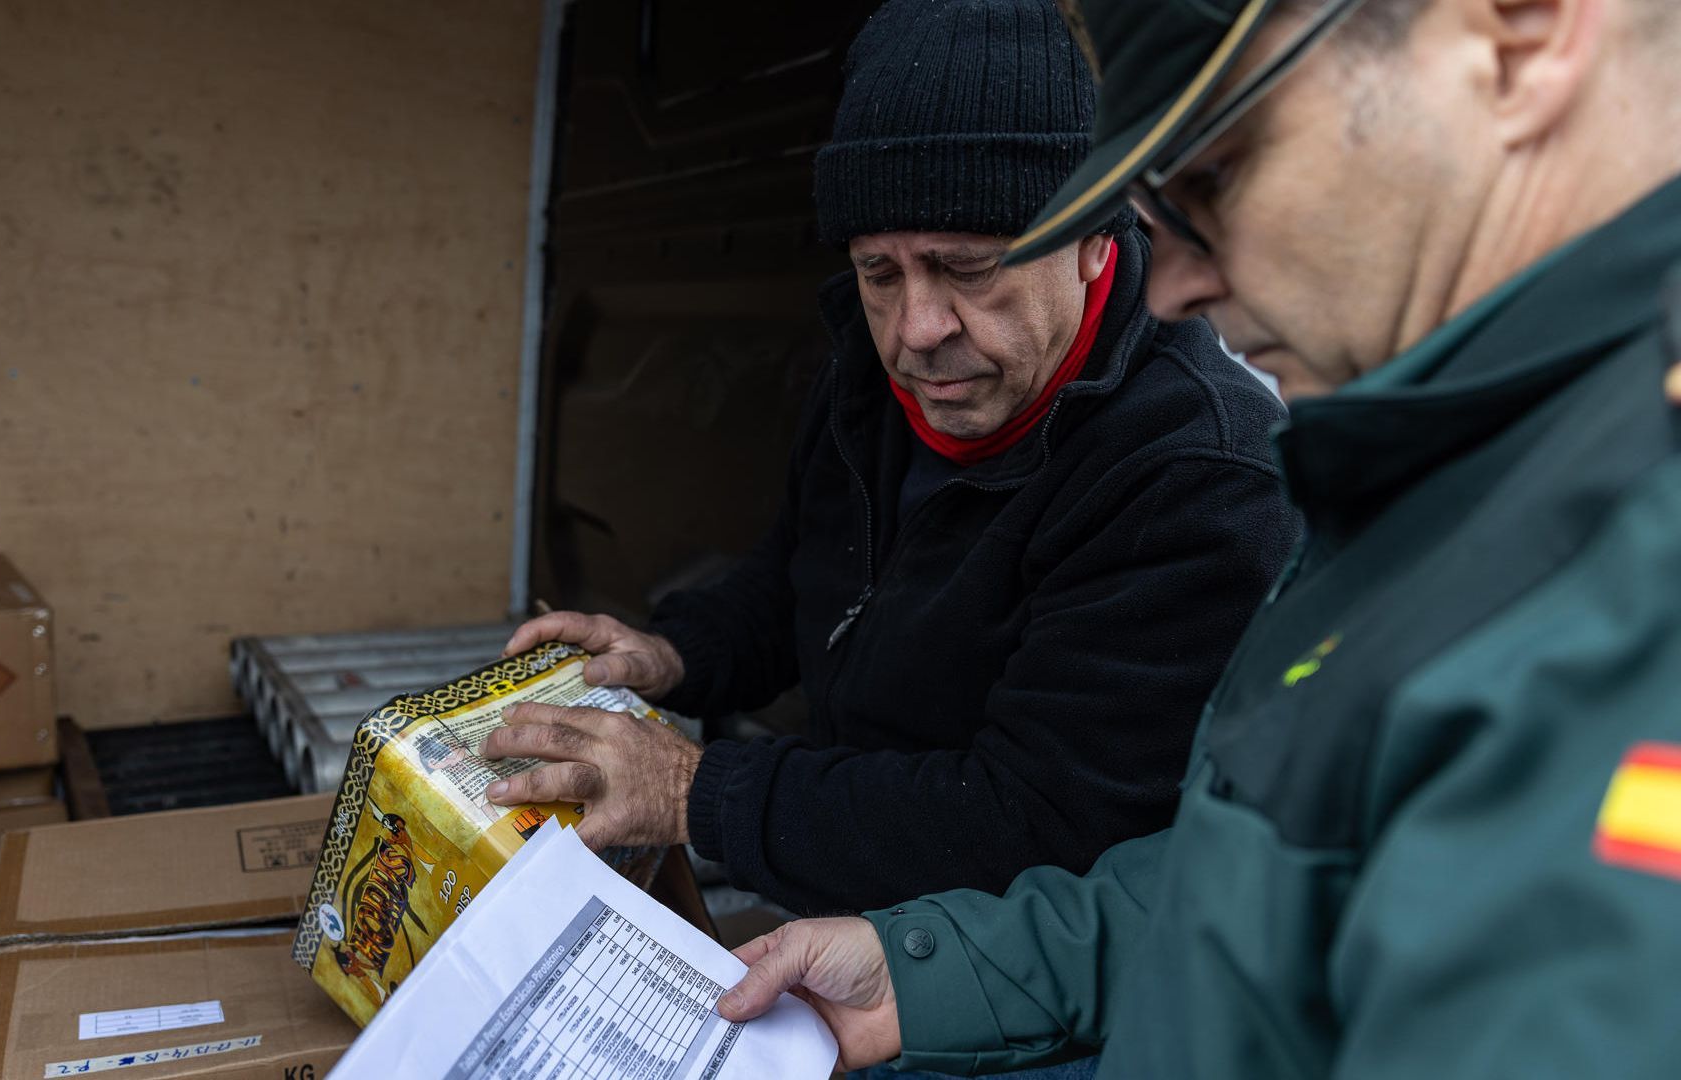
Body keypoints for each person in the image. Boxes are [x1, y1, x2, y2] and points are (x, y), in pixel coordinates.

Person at [717, 0, 1681, 1075]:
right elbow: (1258, 879)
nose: (1172, 281)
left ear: (1520, 35)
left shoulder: (1628, 560)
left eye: (1215, 172)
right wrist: (933, 971)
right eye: (880, 271)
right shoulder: (1433, 464)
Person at [479, 0, 1297, 917]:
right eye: (880, 272)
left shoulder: (1194, 476)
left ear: (1092, 240)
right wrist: (674, 651)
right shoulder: (883, 376)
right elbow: (803, 579)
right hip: (855, 892)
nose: (918, 330)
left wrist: (692, 793)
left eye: (971, 268)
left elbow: (1035, 827)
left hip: (1027, 978)